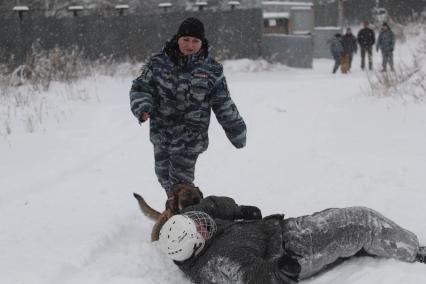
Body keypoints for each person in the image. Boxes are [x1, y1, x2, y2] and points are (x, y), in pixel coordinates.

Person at [158, 195, 426, 283]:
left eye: (196, 221)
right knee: (361, 221)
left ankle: (371, 245)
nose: (203, 224)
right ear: (196, 247)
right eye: (200, 230)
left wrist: (237, 210)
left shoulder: (190, 226)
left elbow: (210, 207)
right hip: (291, 250)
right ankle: (415, 251)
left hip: (278, 228)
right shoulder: (218, 264)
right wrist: (280, 273)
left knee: (340, 216)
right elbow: (255, 279)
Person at [129, 18, 247, 195]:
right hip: (162, 132)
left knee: (180, 182)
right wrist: (143, 107)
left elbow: (223, 102)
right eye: (186, 40)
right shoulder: (157, 63)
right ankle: (178, 212)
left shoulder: (211, 69)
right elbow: (141, 88)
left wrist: (236, 131)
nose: (190, 45)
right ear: (178, 39)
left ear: (202, 42)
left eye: (195, 41)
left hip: (191, 136)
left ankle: (187, 216)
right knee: (164, 177)